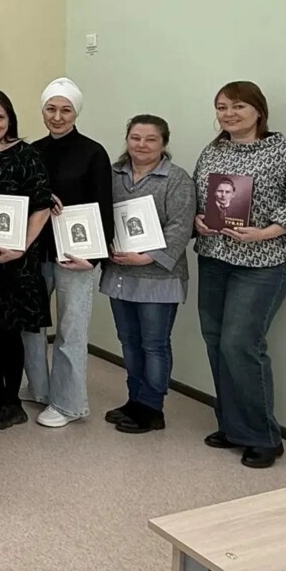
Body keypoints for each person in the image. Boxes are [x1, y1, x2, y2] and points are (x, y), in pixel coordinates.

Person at [193, 82, 286, 468]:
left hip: (262, 264)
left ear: (259, 110)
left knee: (240, 344)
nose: (228, 114)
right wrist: (199, 220)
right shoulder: (213, 151)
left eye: (238, 106)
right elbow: (200, 198)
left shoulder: (285, 153)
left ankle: (263, 436)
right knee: (216, 341)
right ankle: (232, 426)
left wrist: (266, 232)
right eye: (221, 107)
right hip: (215, 258)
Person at [27, 78, 114, 428]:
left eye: (65, 110)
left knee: (71, 330)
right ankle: (38, 389)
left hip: (77, 256)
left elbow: (104, 207)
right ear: (43, 111)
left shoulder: (93, 153)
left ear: (76, 112)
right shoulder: (32, 151)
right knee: (31, 326)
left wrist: (94, 257)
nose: (58, 117)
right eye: (51, 109)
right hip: (36, 252)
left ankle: (67, 403)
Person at [0, 91, 54, 430]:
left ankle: (12, 401)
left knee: (8, 330)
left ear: (10, 119)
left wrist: (21, 247)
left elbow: (42, 207)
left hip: (16, 260)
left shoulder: (27, 155)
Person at [101, 116, 196, 434]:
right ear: (127, 139)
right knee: (129, 342)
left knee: (154, 344)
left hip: (159, 278)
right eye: (135, 137)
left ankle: (152, 408)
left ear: (164, 143)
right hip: (120, 272)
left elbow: (181, 226)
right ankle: (134, 400)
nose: (141, 145)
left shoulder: (177, 179)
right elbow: (100, 213)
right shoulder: (113, 174)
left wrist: (147, 257)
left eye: (151, 139)